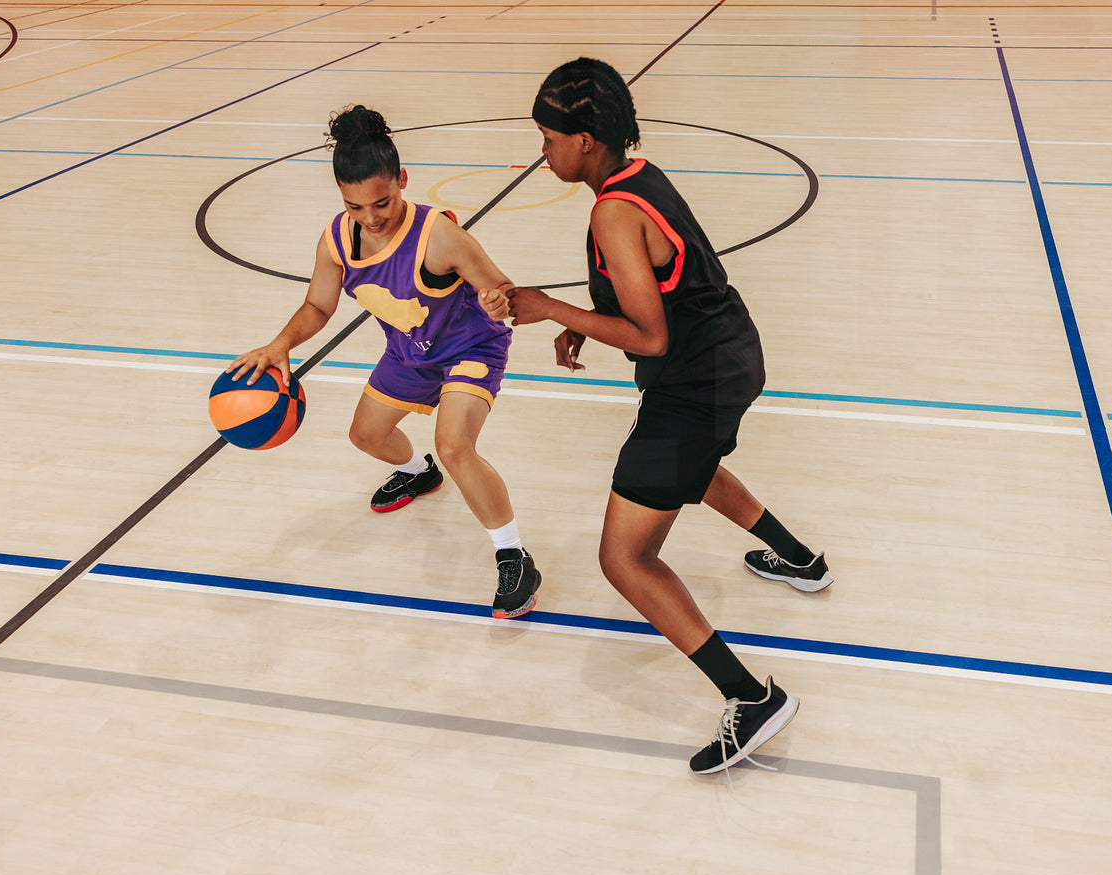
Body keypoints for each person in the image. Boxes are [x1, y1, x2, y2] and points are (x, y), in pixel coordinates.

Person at [482, 58, 831, 774]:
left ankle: (752, 697)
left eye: (548, 139)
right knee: (689, 469)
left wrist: (552, 309)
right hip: (730, 356)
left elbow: (650, 336)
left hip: (695, 382)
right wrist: (584, 325)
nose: (542, 151)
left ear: (584, 141)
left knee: (624, 556)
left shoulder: (611, 212)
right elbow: (654, 287)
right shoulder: (637, 178)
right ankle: (800, 558)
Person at [229, 104, 540, 619]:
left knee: (455, 445)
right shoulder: (336, 239)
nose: (371, 217)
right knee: (366, 435)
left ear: (402, 180)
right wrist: (279, 344)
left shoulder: (438, 236)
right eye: (355, 206)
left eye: (382, 202)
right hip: (410, 351)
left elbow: (507, 293)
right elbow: (317, 306)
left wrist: (497, 302)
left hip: (470, 347)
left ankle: (514, 555)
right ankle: (420, 474)